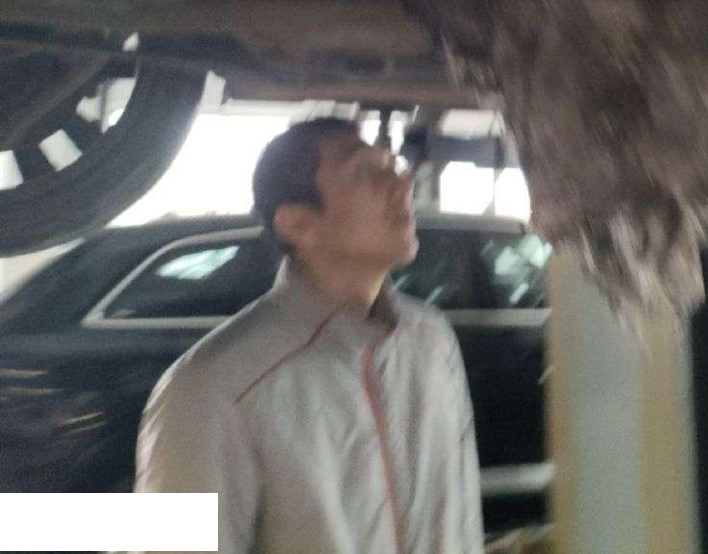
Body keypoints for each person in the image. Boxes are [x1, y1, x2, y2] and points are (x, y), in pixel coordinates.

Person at [135, 117, 482, 554]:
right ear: (299, 224)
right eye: (364, 171)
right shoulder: (213, 386)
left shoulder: (432, 340)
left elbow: (460, 517)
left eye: (392, 166)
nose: (402, 183)